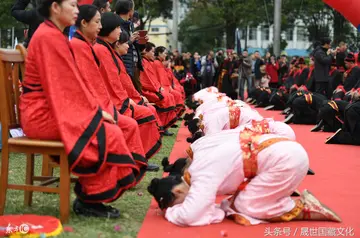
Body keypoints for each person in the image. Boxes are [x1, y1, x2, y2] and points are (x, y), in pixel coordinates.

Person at [20, 0, 146, 218]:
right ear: (55, 7)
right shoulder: (48, 37)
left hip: (52, 110)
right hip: (41, 115)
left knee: (110, 128)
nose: (77, 10)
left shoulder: (53, 35)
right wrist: (94, 113)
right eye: (72, 5)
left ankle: (91, 197)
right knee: (109, 132)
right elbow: (61, 88)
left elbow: (72, 85)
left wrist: (95, 111)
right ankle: (90, 200)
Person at [147, 127, 341, 226]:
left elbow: (190, 215)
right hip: (283, 149)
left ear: (178, 189)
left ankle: (303, 208)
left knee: (244, 206)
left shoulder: (201, 175)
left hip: (285, 161)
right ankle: (280, 194)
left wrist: (169, 212)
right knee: (231, 203)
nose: (183, 204)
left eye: (179, 202)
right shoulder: (199, 164)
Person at [93, 13, 162, 163]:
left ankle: (136, 158)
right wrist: (126, 102)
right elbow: (107, 84)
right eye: (117, 27)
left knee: (148, 110)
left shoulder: (106, 49)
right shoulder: (100, 49)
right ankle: (134, 159)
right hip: (107, 104)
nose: (120, 31)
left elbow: (118, 83)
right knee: (144, 114)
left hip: (115, 100)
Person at [140, 43, 178, 134]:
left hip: (155, 88)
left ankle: (165, 125)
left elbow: (157, 79)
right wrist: (158, 88)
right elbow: (147, 80)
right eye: (152, 51)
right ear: (145, 51)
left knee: (170, 96)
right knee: (166, 98)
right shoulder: (150, 62)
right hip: (148, 90)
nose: (154, 54)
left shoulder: (150, 62)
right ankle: (163, 126)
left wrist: (161, 87)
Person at [115, 0, 145, 93]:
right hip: (125, 64)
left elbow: (136, 47)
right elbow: (116, 45)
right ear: (130, 10)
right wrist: (130, 40)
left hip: (133, 64)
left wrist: (141, 41)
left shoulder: (130, 25)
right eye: (133, 8)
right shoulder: (116, 25)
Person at [153, 46, 185, 118]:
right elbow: (158, 79)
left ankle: (173, 117)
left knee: (177, 93)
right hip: (160, 88)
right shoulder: (156, 63)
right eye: (164, 53)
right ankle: (168, 119)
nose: (165, 55)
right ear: (159, 53)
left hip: (165, 87)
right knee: (172, 96)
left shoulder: (159, 63)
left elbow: (165, 79)